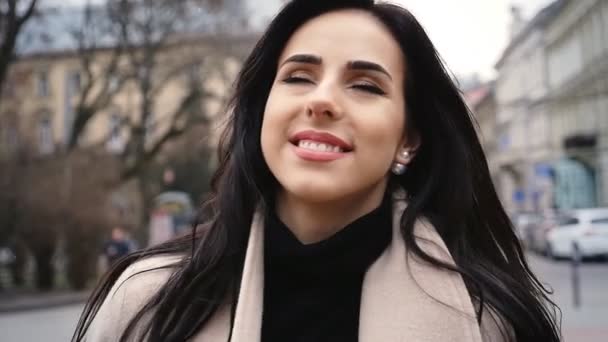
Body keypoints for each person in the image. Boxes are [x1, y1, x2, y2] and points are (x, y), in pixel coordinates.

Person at [73, 1, 561, 341]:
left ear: (408, 139)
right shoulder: (146, 302)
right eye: (299, 77)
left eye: (366, 85)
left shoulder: (490, 321)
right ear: (263, 111)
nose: (322, 99)